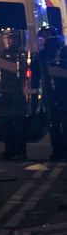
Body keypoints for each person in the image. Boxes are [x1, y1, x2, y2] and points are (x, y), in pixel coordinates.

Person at [0, 28, 29, 161]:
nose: (8, 41)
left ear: (15, 40)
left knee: (18, 126)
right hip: (2, 93)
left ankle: (20, 152)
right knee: (4, 125)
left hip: (16, 94)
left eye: (11, 38)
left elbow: (24, 75)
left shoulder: (21, 56)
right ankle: (9, 150)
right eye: (6, 38)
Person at [40, 30, 67, 162]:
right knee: (57, 124)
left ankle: (58, 151)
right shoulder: (58, 52)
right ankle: (59, 151)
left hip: (56, 94)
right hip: (56, 94)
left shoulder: (48, 53)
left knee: (55, 124)